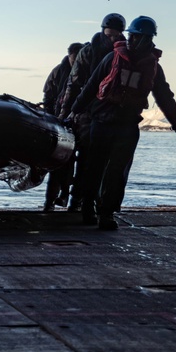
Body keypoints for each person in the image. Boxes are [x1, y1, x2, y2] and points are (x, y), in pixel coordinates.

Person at [69, 16, 176, 230]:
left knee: (117, 171)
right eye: (130, 36)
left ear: (147, 39)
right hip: (101, 121)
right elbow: (91, 86)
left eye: (136, 36)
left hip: (127, 125)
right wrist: (73, 112)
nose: (131, 40)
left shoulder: (152, 67)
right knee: (93, 167)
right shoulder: (112, 58)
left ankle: (106, 213)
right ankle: (88, 207)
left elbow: (165, 98)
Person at [58, 13, 126, 222]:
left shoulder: (122, 54)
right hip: (87, 111)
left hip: (109, 112)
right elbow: (75, 83)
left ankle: (98, 203)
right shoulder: (89, 52)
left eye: (117, 35)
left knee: (107, 163)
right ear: (103, 31)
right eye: (110, 34)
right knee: (88, 159)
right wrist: (66, 113)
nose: (113, 39)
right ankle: (79, 200)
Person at [41, 42, 84, 211]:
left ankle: (67, 197)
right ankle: (52, 200)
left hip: (78, 122)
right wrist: (52, 117)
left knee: (71, 163)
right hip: (60, 121)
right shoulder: (59, 71)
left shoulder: (84, 70)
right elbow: (48, 95)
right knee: (59, 163)